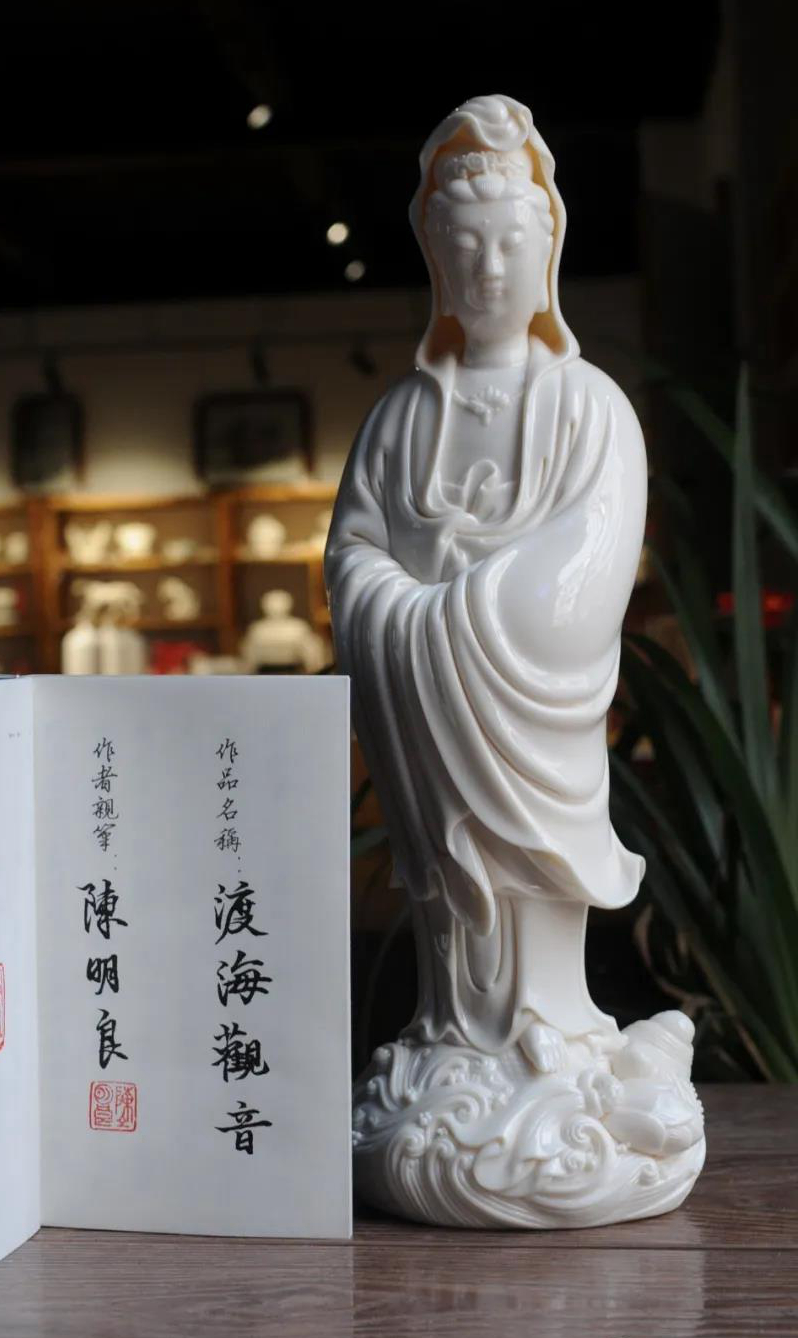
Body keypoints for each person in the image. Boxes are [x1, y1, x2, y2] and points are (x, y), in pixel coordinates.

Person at [325, 94, 647, 1072]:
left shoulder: (590, 407)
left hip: (525, 710)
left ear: (547, 251)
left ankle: (552, 1027)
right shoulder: (398, 416)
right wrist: (401, 614)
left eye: (508, 244)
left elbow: (587, 567)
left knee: (531, 882)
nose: (488, 269)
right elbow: (351, 553)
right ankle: (453, 1033)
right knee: (448, 902)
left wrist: (444, 611)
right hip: (429, 725)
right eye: (463, 248)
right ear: (436, 261)